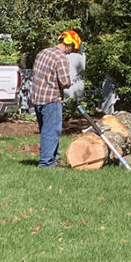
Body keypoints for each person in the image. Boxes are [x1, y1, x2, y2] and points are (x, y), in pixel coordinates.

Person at [30, 30, 79, 168]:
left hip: (37, 98)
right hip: (52, 99)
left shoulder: (43, 52)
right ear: (68, 44)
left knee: (46, 130)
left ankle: (54, 159)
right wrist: (71, 82)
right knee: (51, 132)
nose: (71, 51)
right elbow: (64, 82)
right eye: (72, 48)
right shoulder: (61, 58)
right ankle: (46, 163)